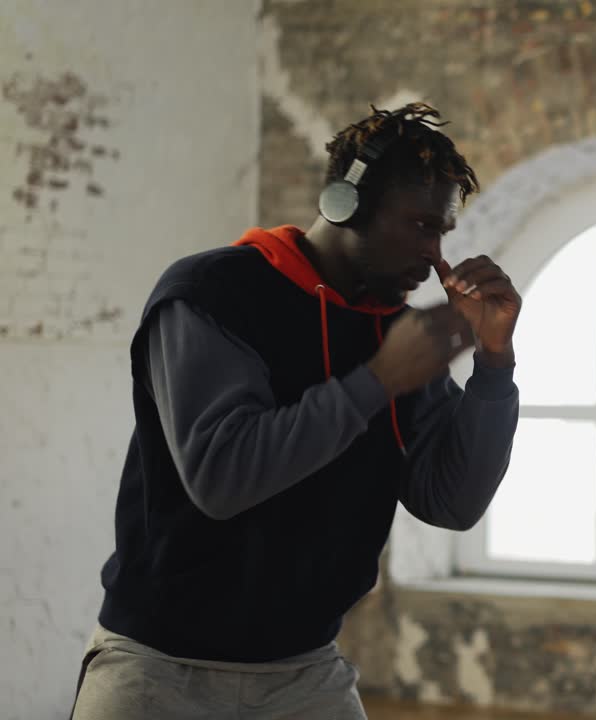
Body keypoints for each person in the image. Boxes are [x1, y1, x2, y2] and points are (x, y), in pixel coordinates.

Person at [70, 103, 520, 719]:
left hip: (303, 671)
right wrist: (380, 378)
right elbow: (224, 478)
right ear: (346, 203)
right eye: (418, 225)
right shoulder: (211, 294)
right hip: (158, 669)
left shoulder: (395, 331)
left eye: (441, 230)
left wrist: (494, 363)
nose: (434, 253)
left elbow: (451, 501)